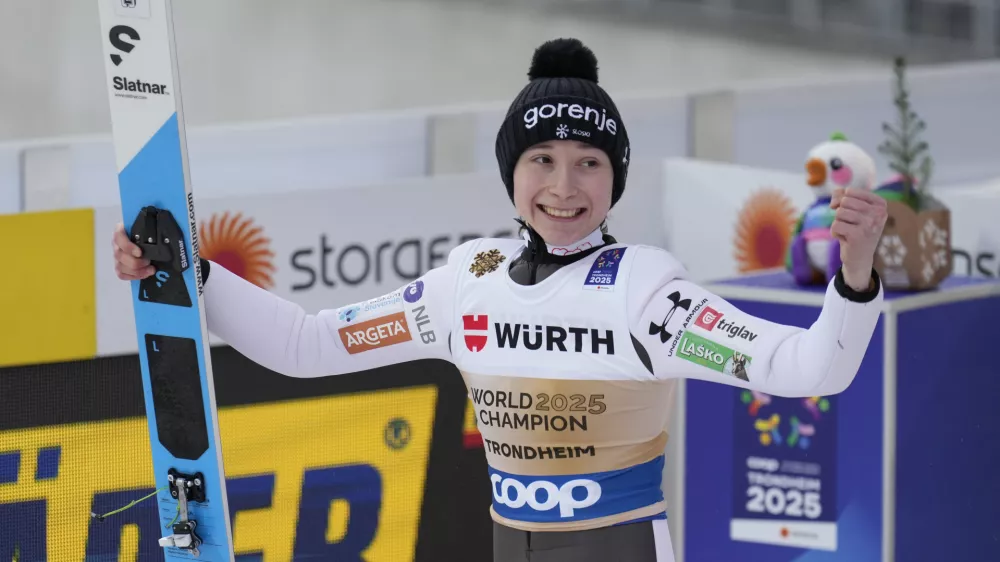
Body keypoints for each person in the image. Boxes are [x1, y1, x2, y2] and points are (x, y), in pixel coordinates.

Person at [112, 38, 887, 562]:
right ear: (511, 171)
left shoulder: (645, 291)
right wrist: (190, 275)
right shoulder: (467, 283)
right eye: (541, 159)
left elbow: (806, 369)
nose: (563, 186)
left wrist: (855, 279)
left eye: (589, 163)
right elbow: (306, 345)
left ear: (615, 178)